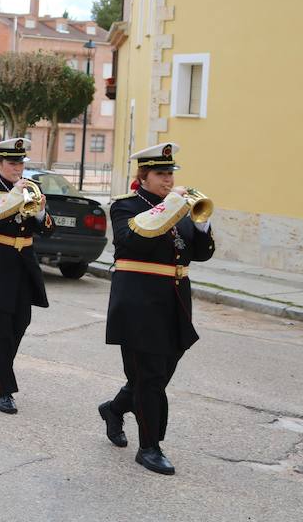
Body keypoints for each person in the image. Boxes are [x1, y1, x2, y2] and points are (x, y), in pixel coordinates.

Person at [98, 142, 215, 476]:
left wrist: (203, 224)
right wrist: (172, 206)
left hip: (175, 302)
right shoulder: (126, 207)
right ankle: (149, 446)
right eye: (161, 174)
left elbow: (201, 253)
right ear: (143, 176)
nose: (168, 180)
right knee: (149, 378)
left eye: (170, 174)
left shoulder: (180, 207)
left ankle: (114, 409)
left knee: (158, 375)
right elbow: (131, 240)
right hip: (138, 303)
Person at [0, 138, 54, 414]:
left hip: (22, 263)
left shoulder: (31, 188)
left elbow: (47, 230)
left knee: (20, 323)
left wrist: (40, 213)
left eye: (21, 163)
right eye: (12, 163)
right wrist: (15, 194)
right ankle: (4, 390)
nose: (18, 168)